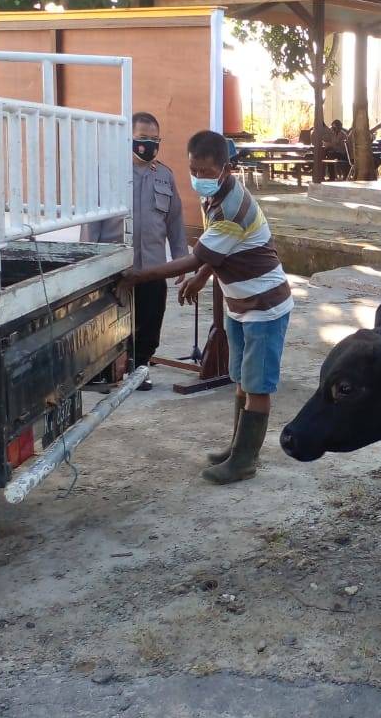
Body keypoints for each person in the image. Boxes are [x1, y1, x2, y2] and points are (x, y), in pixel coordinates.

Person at [121, 130, 292, 486]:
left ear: (225, 168)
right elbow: (215, 254)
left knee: (257, 385)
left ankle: (245, 461)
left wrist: (138, 277)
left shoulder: (232, 206)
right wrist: (202, 277)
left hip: (264, 307)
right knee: (242, 379)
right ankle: (237, 448)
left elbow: (195, 257)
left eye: (205, 171)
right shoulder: (216, 196)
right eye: (193, 170)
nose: (198, 178)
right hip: (240, 303)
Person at [83, 111, 188, 391]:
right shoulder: (109, 174)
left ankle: (139, 368)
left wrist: (181, 261)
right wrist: (89, 261)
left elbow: (175, 221)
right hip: (114, 265)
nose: (149, 145)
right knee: (107, 323)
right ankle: (105, 370)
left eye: (155, 140)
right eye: (143, 139)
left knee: (150, 320)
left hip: (151, 266)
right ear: (127, 139)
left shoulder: (165, 176)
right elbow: (92, 222)